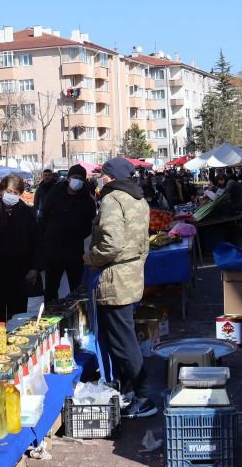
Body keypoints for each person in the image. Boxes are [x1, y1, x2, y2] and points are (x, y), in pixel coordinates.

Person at [83, 157, 156, 419]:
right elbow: (143, 243)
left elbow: (111, 244)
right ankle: (128, 389)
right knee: (122, 335)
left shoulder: (113, 200)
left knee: (123, 340)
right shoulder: (138, 199)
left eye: (102, 174)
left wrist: (91, 258)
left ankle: (144, 396)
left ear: (111, 177)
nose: (99, 178)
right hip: (131, 275)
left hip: (114, 277)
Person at [0, 175, 39, 321]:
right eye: (9, 191)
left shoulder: (27, 212)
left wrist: (34, 268)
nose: (12, 195)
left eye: (16, 193)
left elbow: (36, 241)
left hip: (20, 269)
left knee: (18, 311)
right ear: (1, 189)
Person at [39, 165, 96, 302]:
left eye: (81, 179)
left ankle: (77, 317)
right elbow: (44, 216)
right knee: (51, 288)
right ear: (69, 178)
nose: (77, 181)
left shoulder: (87, 200)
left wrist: (77, 234)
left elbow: (90, 224)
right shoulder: (55, 193)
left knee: (76, 288)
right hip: (53, 248)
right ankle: (50, 315)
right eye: (75, 177)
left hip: (74, 249)